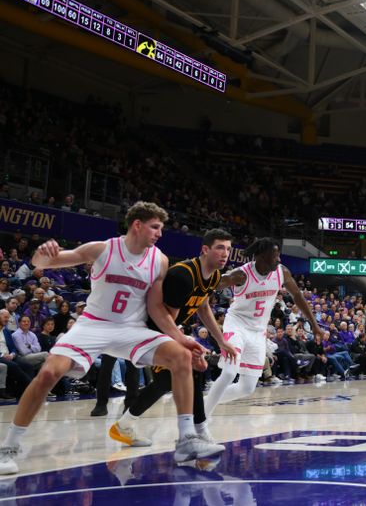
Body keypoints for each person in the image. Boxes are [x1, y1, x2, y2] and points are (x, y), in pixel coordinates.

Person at [0, 202, 223, 475]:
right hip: (93, 326)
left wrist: (180, 338)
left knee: (181, 356)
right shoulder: (102, 249)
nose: (159, 234)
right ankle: (9, 447)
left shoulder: (160, 260)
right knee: (47, 373)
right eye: (155, 227)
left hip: (131, 329)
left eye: (161, 229)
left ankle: (187, 439)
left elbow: (155, 308)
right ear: (137, 225)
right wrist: (42, 255)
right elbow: (48, 261)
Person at [109, 229, 242, 446]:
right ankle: (198, 431)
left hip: (164, 329)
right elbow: (164, 319)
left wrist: (221, 340)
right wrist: (185, 344)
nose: (225, 253)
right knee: (191, 368)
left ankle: (124, 426)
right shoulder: (183, 276)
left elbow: (203, 306)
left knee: (165, 381)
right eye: (220, 247)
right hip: (145, 329)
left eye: (228, 249)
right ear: (205, 249)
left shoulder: (214, 276)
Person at [204, 238, 322, 416]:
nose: (279, 260)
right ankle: (200, 418)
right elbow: (210, 284)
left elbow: (297, 296)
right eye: (275, 256)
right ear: (261, 257)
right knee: (229, 373)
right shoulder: (240, 275)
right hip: (237, 325)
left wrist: (314, 324)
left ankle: (200, 403)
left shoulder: (282, 273)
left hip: (258, 332)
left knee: (247, 387)